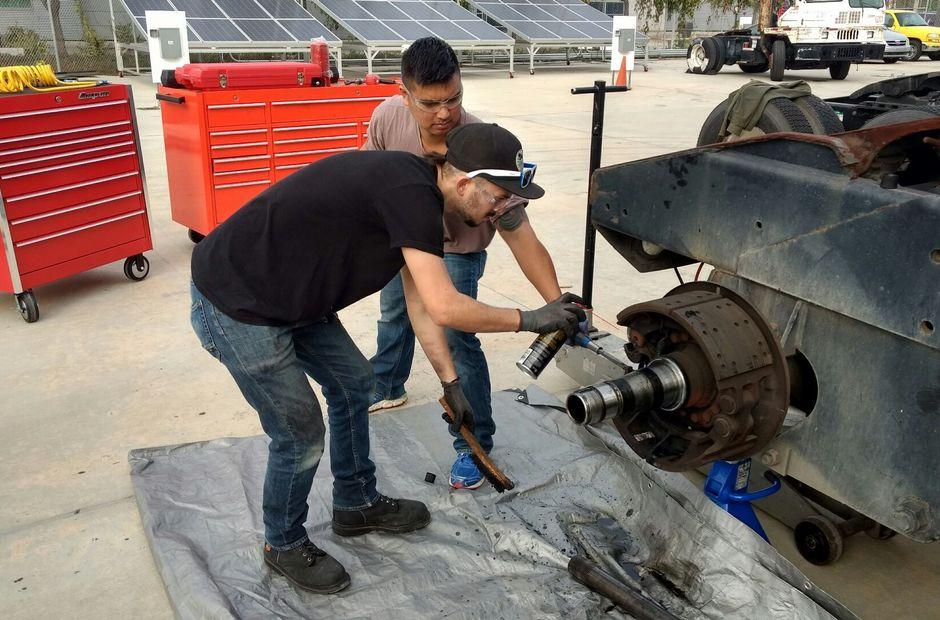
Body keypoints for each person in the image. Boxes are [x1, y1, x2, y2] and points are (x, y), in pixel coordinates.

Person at [189, 122, 585, 594]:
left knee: (355, 384)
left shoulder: (422, 195)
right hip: (239, 301)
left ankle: (355, 502)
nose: (502, 210)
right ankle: (283, 542)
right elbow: (445, 305)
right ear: (465, 183)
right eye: (499, 197)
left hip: (295, 298)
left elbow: (420, 300)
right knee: (299, 432)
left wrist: (450, 383)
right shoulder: (409, 194)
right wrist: (532, 318)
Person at [364, 37, 564, 491]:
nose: (445, 113)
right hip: (403, 244)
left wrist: (557, 304)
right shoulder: (386, 120)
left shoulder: (481, 146)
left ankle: (474, 443)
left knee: (457, 335)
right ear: (404, 95)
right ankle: (387, 384)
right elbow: (369, 183)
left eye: (454, 98)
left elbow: (522, 237)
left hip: (457, 247)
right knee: (396, 311)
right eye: (430, 103)